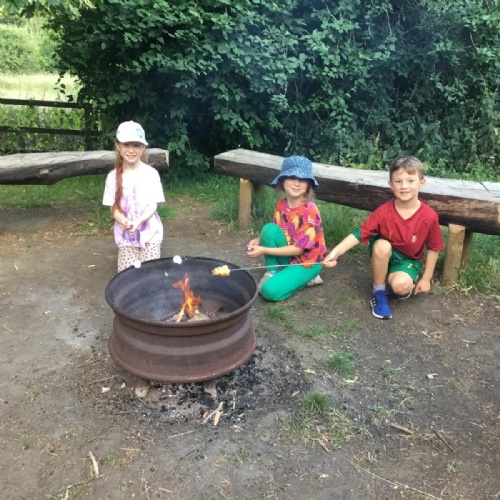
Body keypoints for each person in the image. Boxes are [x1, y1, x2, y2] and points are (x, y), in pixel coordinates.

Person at [323, 155, 445, 320]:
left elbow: (434, 247)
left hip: (408, 259)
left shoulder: (429, 216)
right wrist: (336, 252)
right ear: (391, 184)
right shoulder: (384, 211)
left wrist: (426, 279)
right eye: (398, 181)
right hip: (384, 253)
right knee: (382, 245)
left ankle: (400, 281)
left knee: (400, 288)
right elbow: (360, 233)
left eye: (410, 181)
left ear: (421, 183)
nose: (404, 186)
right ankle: (379, 291)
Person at [246, 155, 327, 301]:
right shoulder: (281, 205)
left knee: (269, 291)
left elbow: (298, 249)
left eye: (302, 179)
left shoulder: (310, 211)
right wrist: (259, 240)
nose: (297, 183)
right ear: (282, 181)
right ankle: (273, 272)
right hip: (289, 256)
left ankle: (309, 278)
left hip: (306, 262)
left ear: (308, 184)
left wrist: (264, 250)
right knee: (268, 229)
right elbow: (277, 231)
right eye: (292, 177)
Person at [103, 121, 165, 273]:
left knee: (150, 274)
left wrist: (139, 220)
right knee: (127, 275)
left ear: (143, 147)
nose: (131, 150)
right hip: (126, 237)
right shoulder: (112, 177)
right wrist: (122, 220)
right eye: (126, 145)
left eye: (136, 145)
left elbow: (153, 204)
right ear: (118, 146)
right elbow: (113, 207)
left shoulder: (151, 174)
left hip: (150, 233)